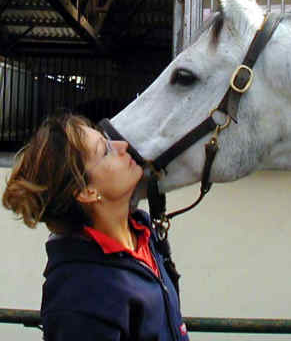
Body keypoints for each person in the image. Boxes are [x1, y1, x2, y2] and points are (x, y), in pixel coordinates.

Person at [2, 113, 189, 341]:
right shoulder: (80, 296)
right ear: (86, 192)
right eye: (106, 151)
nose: (123, 146)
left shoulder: (143, 231)